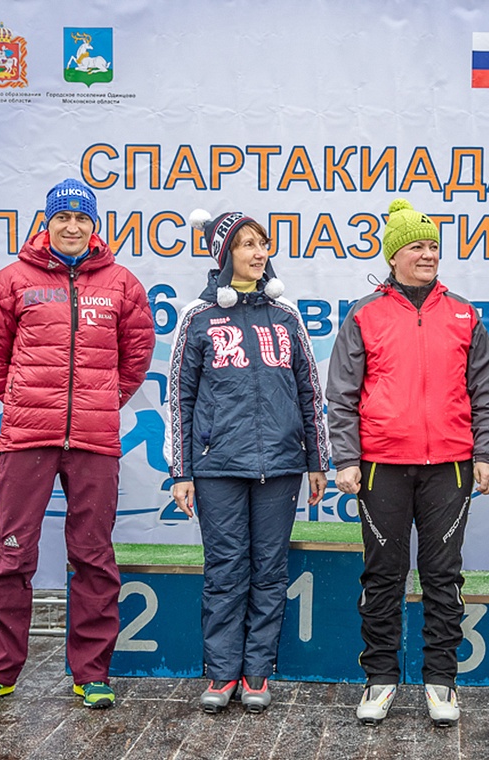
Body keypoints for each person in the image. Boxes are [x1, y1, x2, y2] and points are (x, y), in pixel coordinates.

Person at [0, 178, 155, 711]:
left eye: (82, 219)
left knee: (93, 556)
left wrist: (101, 400)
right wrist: (26, 399)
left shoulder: (121, 283)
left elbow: (136, 354)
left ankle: (91, 674)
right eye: (62, 218)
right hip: (28, 437)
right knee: (12, 554)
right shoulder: (12, 280)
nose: (72, 227)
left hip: (94, 440)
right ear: (46, 224)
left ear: (95, 226)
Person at [326, 198, 489, 728]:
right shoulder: (365, 313)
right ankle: (380, 678)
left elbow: (486, 394)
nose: (427, 255)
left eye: (432, 246)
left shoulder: (464, 313)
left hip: (449, 465)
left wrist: (487, 454)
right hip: (381, 466)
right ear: (394, 255)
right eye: (416, 246)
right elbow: (342, 394)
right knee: (383, 575)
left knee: (443, 576)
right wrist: (346, 459)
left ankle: (440, 681)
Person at [168, 209, 329, 715]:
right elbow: (179, 396)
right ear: (224, 254)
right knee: (224, 570)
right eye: (247, 245)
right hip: (217, 469)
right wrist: (182, 470)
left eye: (263, 244)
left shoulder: (287, 317)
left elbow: (309, 392)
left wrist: (317, 460)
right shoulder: (198, 318)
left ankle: (256, 672)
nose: (259, 253)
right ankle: (221, 672)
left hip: (280, 466)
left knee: (270, 571)